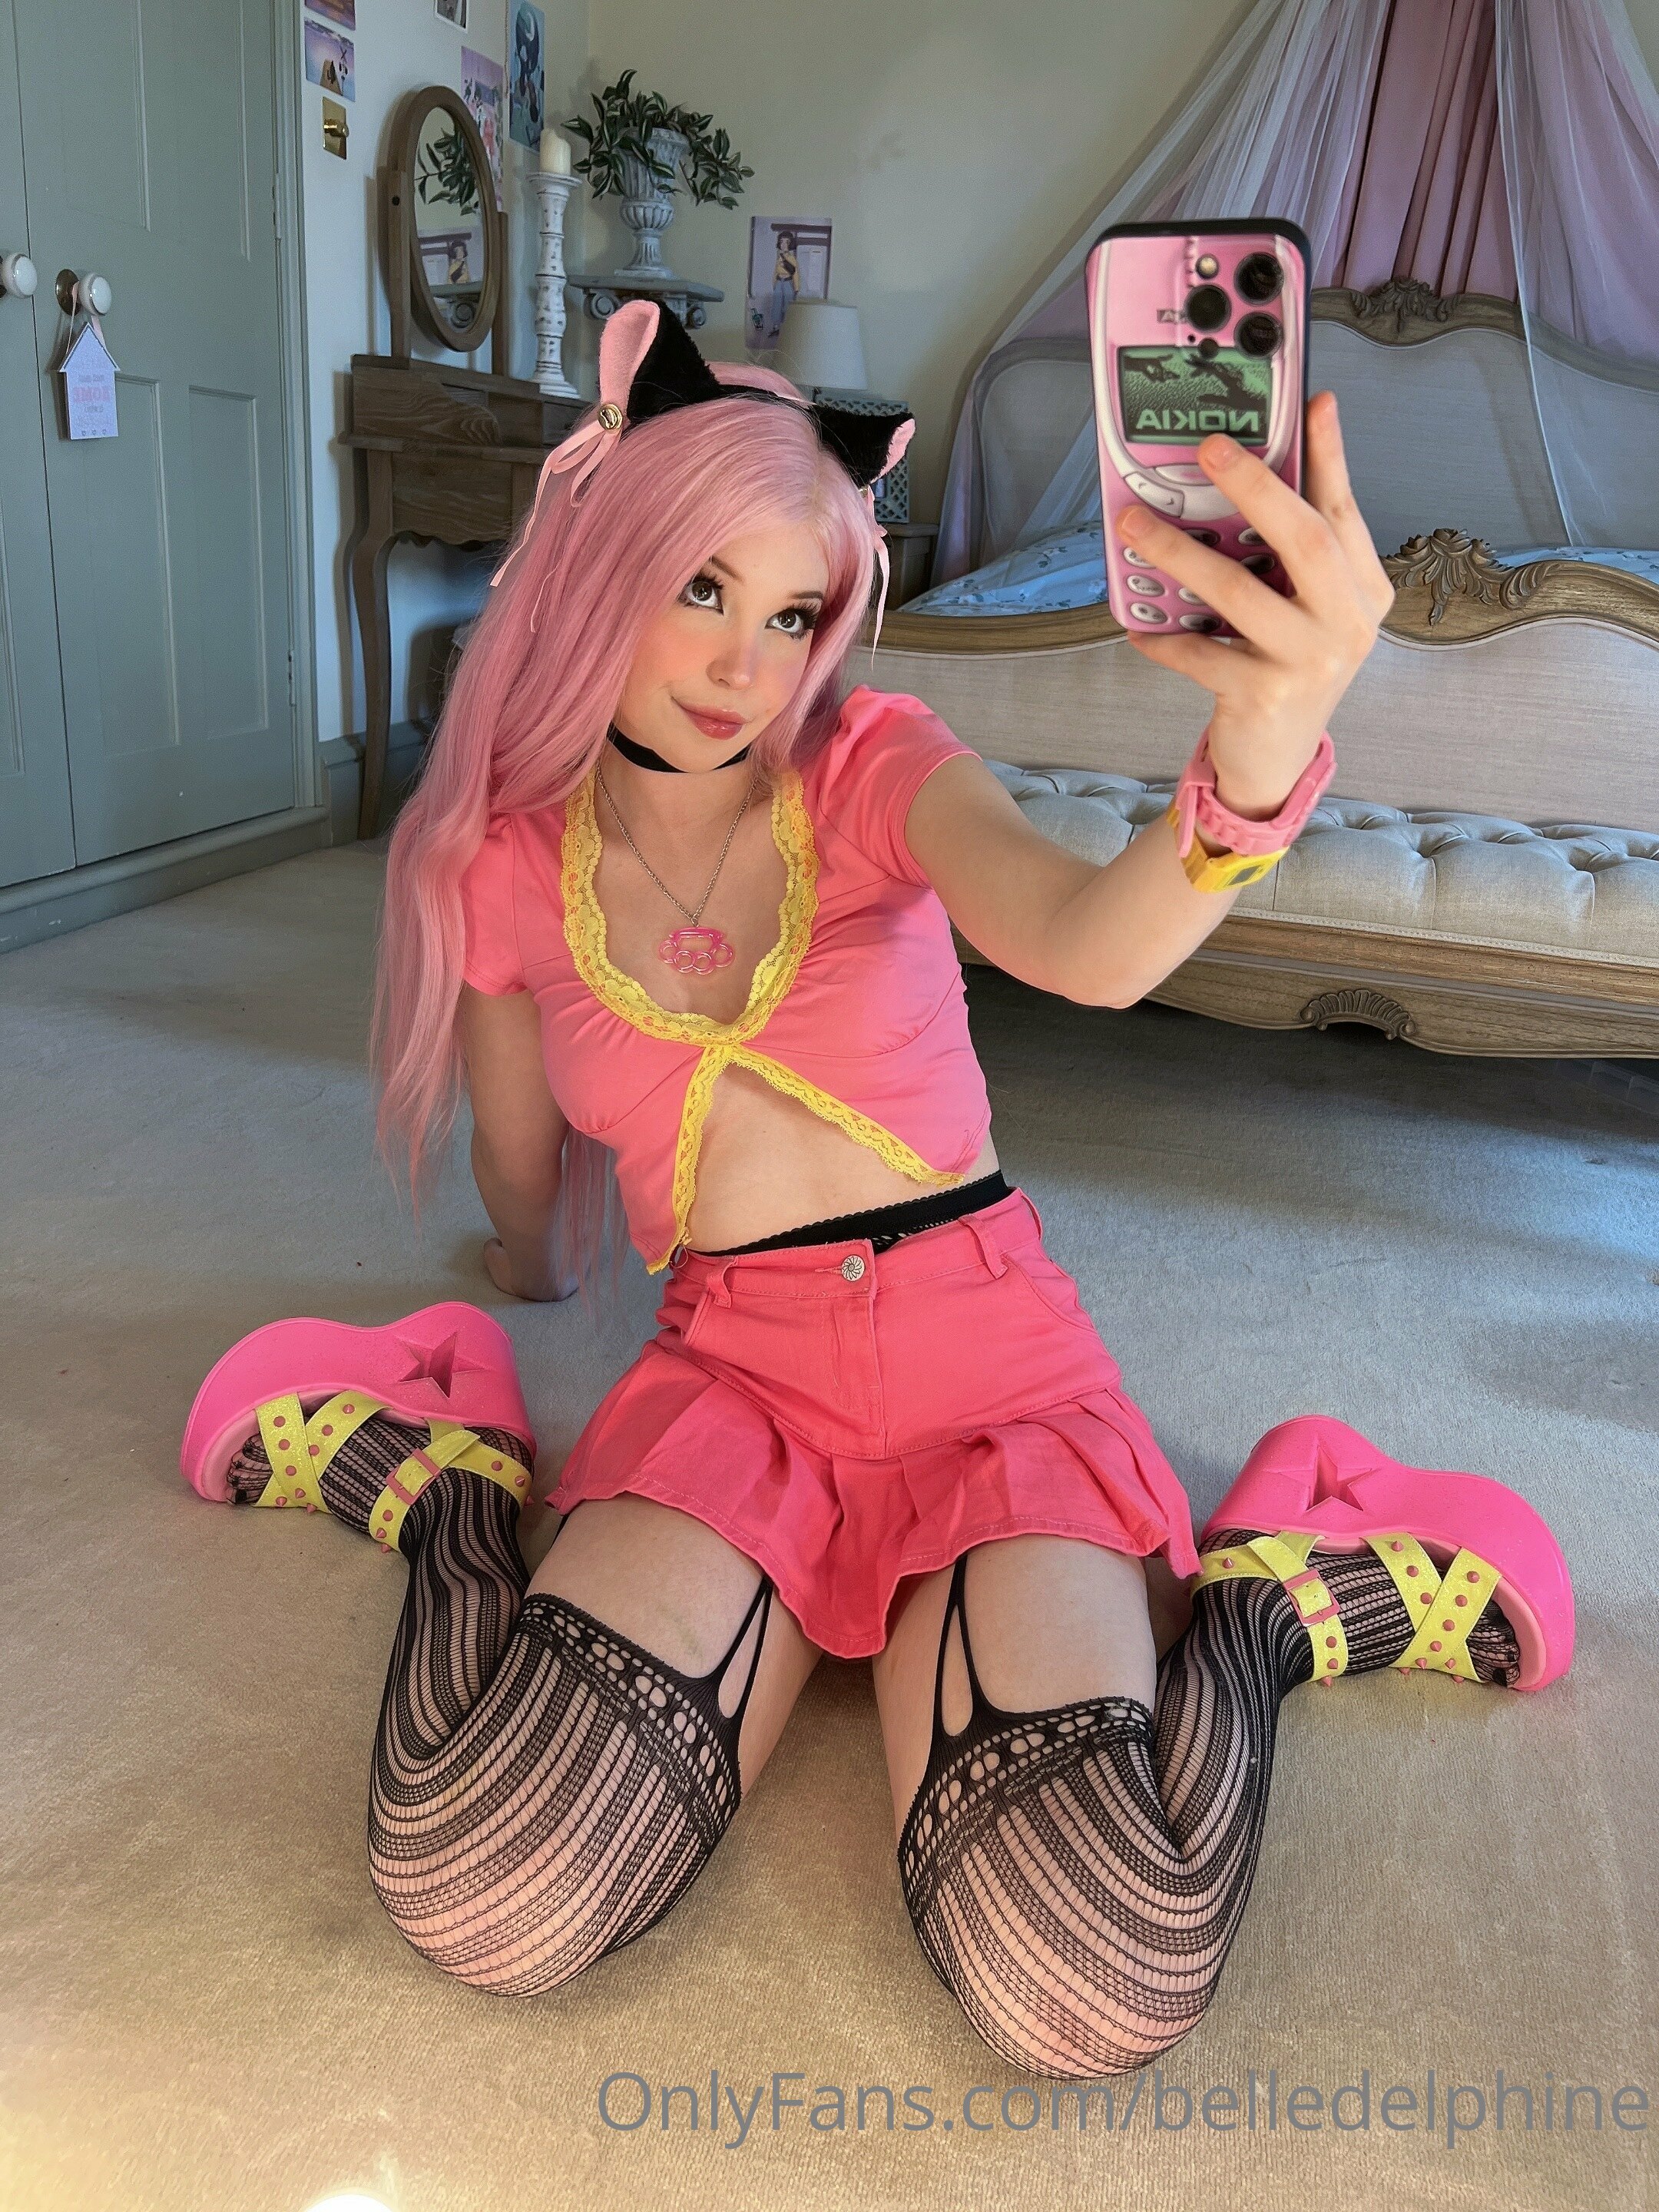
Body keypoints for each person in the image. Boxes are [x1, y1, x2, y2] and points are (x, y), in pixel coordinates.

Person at [180, 300, 1573, 2077]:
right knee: (481, 1890)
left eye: (793, 614)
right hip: (734, 1384)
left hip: (992, 1378)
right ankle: (447, 1469)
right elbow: (520, 1173)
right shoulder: (502, 869)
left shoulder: (866, 763)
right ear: (593, 562)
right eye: (701, 587)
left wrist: (1256, 765)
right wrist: (523, 1286)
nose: (743, 665)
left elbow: (1087, 943)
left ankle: (1280, 1599)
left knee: (1098, 1983)